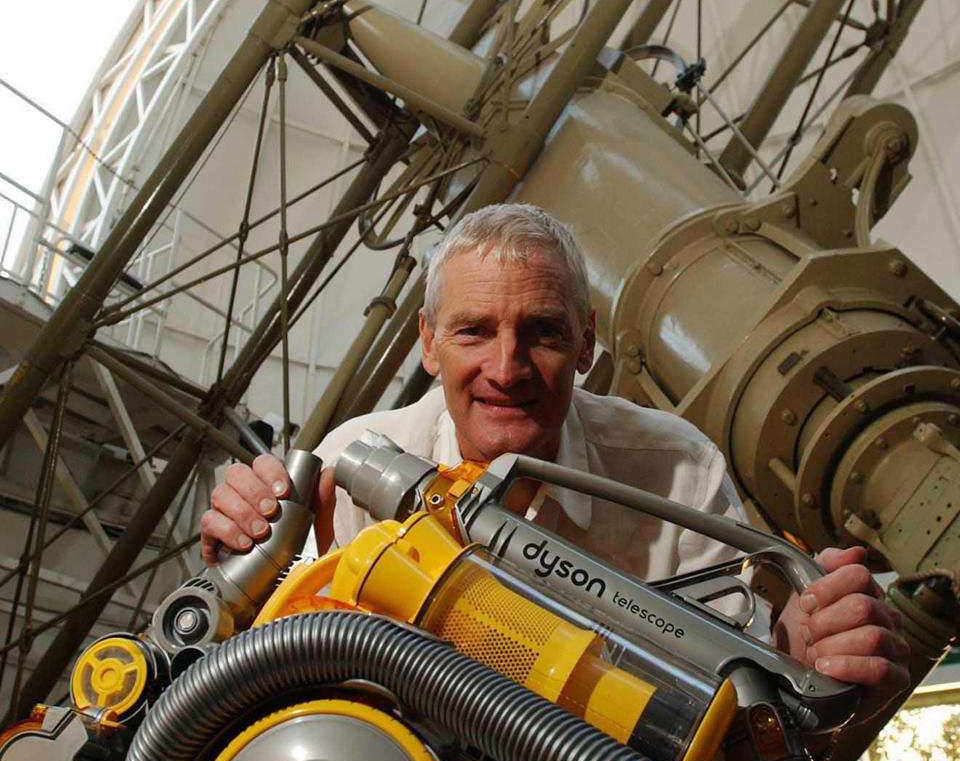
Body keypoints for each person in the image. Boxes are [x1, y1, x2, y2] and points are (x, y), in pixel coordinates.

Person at [200, 203, 909, 715]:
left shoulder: (676, 470)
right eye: (473, 331)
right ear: (427, 341)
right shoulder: (347, 466)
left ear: (587, 342)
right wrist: (238, 565)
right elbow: (256, 663)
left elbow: (742, 679)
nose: (506, 369)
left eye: (541, 332)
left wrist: (794, 651)